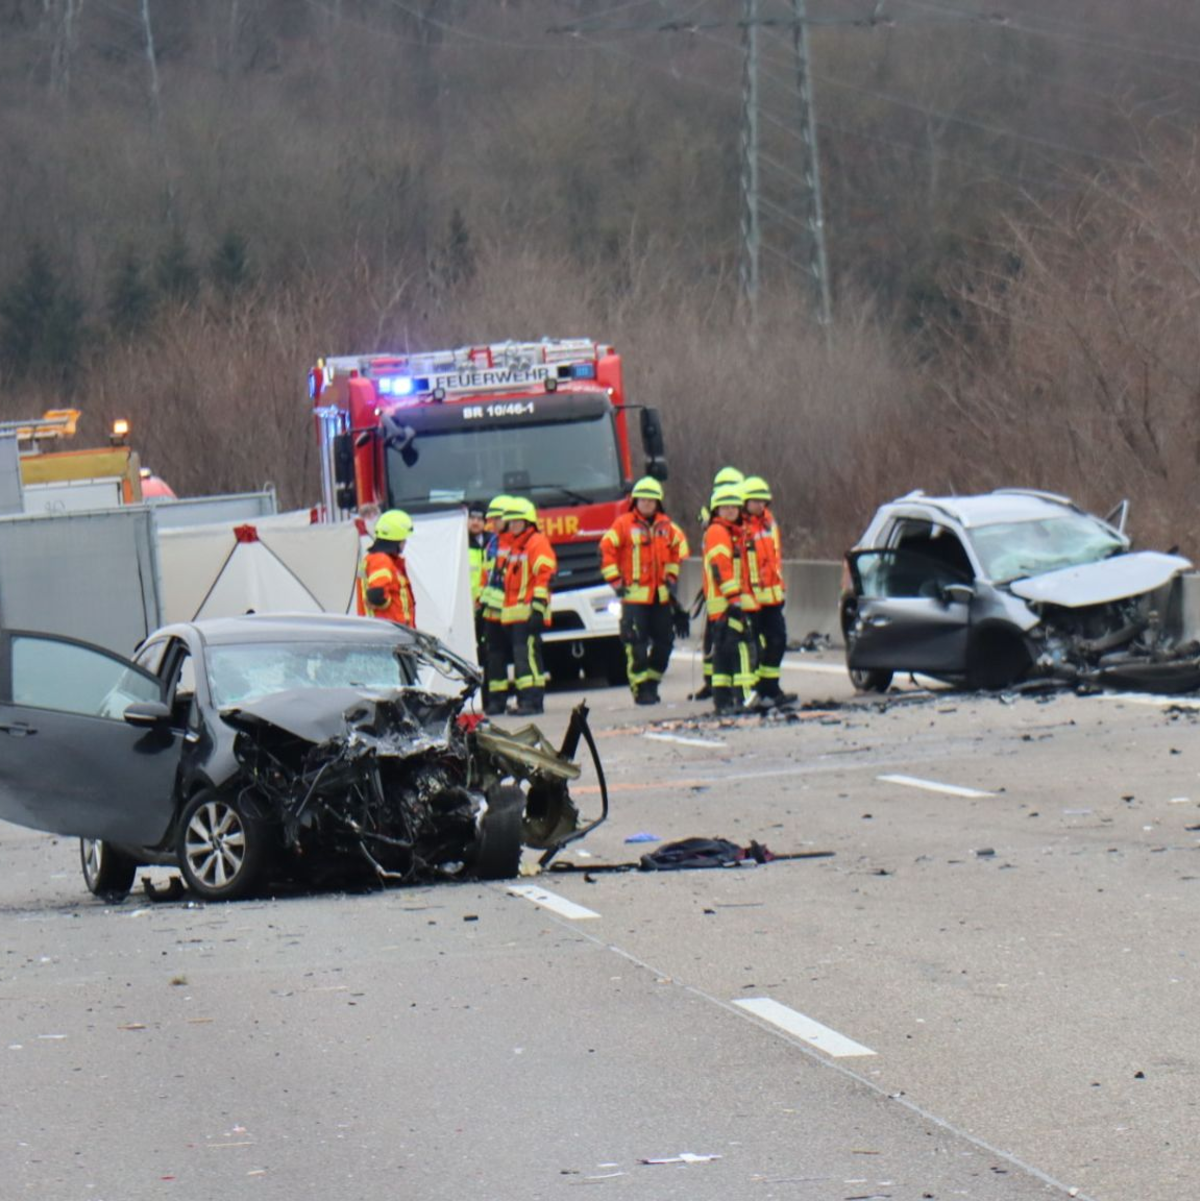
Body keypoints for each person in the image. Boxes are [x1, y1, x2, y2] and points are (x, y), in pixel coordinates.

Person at [600, 477, 687, 704]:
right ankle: (640, 688)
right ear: (635, 501)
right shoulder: (623, 525)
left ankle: (652, 683)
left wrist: (671, 577)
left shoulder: (667, 527)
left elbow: (680, 549)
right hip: (634, 598)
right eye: (643, 500)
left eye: (652, 500)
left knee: (665, 643)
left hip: (660, 596)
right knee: (635, 645)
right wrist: (616, 582)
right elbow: (606, 550)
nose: (648, 504)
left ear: (658, 503)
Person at [701, 480, 756, 716]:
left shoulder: (733, 533)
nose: (730, 510)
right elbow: (721, 568)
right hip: (726, 603)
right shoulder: (718, 532)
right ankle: (744, 696)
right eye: (725, 507)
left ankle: (722, 700)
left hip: (721, 605)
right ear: (716, 510)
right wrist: (734, 599)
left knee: (723, 653)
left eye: (734, 506)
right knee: (742, 647)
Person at [743, 476, 797, 709]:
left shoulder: (769, 523)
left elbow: (774, 559)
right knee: (754, 646)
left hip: (772, 596)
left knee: (778, 640)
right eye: (756, 501)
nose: (760, 505)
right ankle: (755, 690)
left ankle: (770, 686)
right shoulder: (740, 527)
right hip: (751, 600)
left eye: (764, 501)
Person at [500, 497, 556, 715]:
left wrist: (538, 608)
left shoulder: (536, 543)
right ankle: (525, 700)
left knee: (529, 658)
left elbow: (545, 575)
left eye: (517, 522)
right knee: (522, 659)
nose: (513, 525)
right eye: (511, 522)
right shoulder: (516, 547)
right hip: (516, 616)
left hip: (529, 612)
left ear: (528, 522)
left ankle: (533, 701)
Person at [692, 466, 744, 701]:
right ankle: (719, 689)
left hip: (721, 593)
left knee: (719, 644)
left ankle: (719, 687)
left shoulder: (727, 521)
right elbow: (720, 564)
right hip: (723, 595)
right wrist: (734, 597)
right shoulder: (717, 527)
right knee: (722, 645)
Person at [480, 495, 514, 715]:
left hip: (512, 607)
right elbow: (487, 574)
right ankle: (497, 701)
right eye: (491, 519)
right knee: (494, 656)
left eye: (497, 519)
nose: (493, 523)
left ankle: (524, 699)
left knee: (519, 655)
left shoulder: (516, 541)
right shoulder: (493, 541)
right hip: (492, 609)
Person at [360, 509, 416, 627]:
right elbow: (376, 595)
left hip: (390, 632)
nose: (405, 543)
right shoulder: (381, 560)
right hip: (390, 633)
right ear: (396, 540)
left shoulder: (381, 559)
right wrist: (390, 603)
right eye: (403, 539)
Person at [466, 503, 488, 660]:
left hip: (486, 605)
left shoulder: (492, 542)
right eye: (472, 518)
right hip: (467, 606)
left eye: (479, 519)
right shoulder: (461, 543)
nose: (475, 522)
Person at [353, 503, 382, 617]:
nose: (370, 517)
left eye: (372, 514)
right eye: (367, 515)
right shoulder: (368, 536)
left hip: (367, 592)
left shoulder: (359, 533)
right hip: (370, 591)